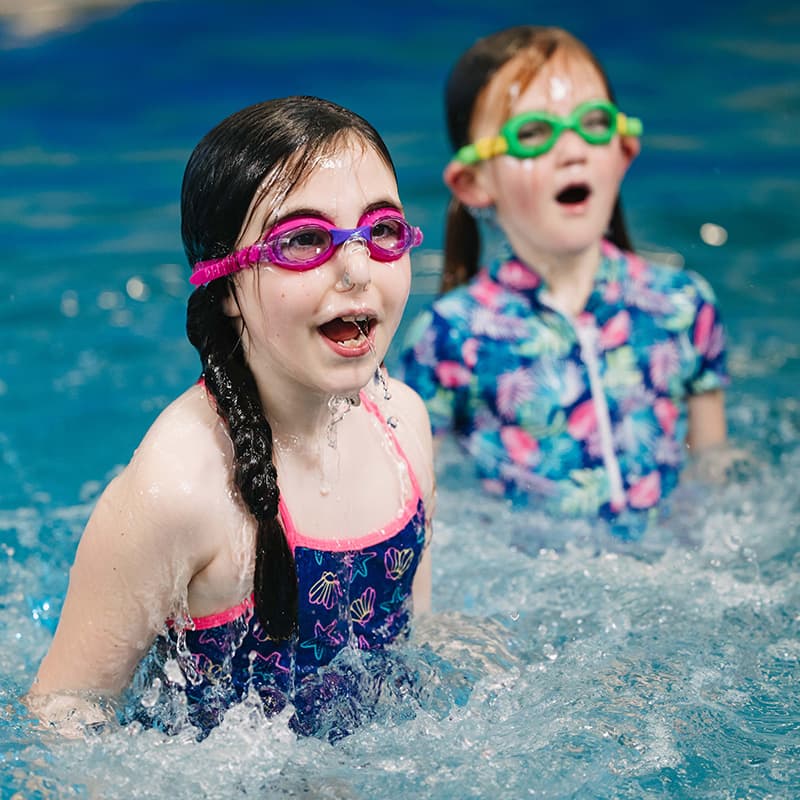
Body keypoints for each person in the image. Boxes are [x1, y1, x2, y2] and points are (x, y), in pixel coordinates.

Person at [26, 96, 435, 738]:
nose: (357, 270)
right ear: (224, 290)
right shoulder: (179, 491)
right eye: (303, 240)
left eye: (381, 230)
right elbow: (63, 714)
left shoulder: (404, 428)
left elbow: (416, 640)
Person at [399, 26, 728, 537]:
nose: (572, 150)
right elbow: (419, 510)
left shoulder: (682, 307)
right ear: (474, 181)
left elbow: (714, 471)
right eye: (533, 132)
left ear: (623, 152)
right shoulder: (452, 336)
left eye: (593, 124)